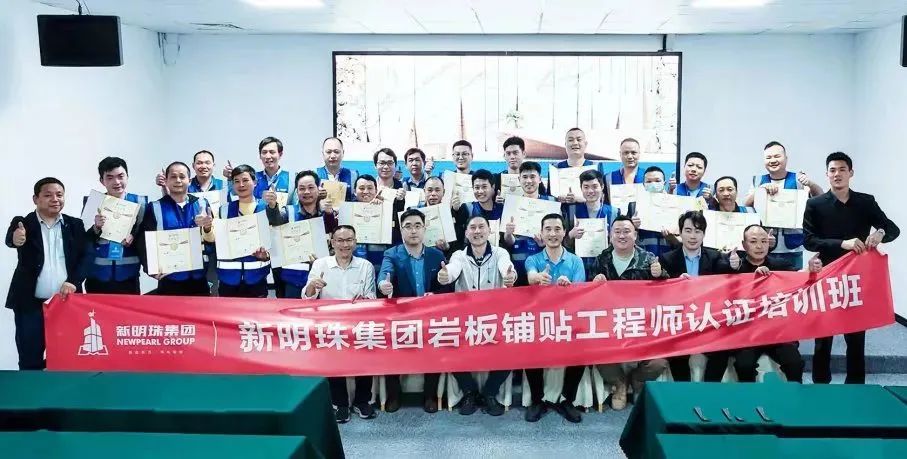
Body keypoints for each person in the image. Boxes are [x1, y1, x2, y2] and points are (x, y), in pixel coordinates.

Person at [804, 152, 900, 385]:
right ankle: (820, 385)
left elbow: (892, 229)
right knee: (823, 337)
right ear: (827, 174)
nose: (837, 174)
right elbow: (809, 240)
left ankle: (856, 386)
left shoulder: (865, 202)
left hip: (857, 278)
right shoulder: (815, 204)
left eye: (842, 169)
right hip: (827, 275)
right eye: (832, 170)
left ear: (851, 173)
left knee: (856, 337)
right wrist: (841, 243)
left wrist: (879, 233)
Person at [6, 177, 92, 370]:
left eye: (59, 195)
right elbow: (11, 239)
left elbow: (86, 256)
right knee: (30, 357)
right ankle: (31, 389)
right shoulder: (23, 223)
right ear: (35, 199)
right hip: (30, 303)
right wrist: (15, 238)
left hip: (66, 302)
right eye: (48, 195)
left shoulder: (75, 225)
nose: (55, 199)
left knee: (67, 355)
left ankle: (63, 390)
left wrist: (74, 281)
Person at [717, 224, 821, 383]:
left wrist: (810, 268)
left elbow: (798, 279)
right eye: (753, 241)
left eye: (764, 241)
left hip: (777, 331)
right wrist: (753, 279)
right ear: (744, 245)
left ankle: (794, 397)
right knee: (744, 365)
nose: (759, 246)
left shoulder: (780, 265)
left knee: (795, 363)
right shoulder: (736, 268)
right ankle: (750, 397)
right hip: (748, 334)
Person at [437, 215, 517, 416]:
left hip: (495, 319)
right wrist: (445, 276)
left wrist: (510, 276)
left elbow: (507, 268)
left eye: (482, 227)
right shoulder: (459, 255)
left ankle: (490, 393)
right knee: (447, 347)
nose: (477, 231)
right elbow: (452, 270)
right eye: (472, 227)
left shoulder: (500, 253)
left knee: (513, 349)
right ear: (466, 233)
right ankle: (469, 392)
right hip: (465, 320)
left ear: (489, 231)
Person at [589, 215, 668, 410]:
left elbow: (667, 290)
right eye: (617, 232)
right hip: (610, 324)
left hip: (642, 325)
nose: (622, 236)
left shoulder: (649, 259)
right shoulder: (601, 259)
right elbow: (588, 294)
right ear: (610, 236)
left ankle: (638, 379)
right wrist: (594, 283)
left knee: (659, 362)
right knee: (596, 351)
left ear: (635, 235)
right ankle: (620, 384)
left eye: (626, 231)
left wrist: (660, 274)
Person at [378, 209, 451, 412]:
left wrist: (438, 290)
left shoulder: (436, 255)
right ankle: (394, 395)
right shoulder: (392, 254)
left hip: (430, 316)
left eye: (417, 226)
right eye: (408, 226)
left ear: (424, 229)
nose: (413, 231)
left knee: (437, 343)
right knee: (390, 346)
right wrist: (384, 285)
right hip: (401, 316)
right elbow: (385, 275)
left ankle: (430, 396)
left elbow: (446, 287)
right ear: (401, 230)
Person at [304, 225, 377, 423]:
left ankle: (362, 401)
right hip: (330, 323)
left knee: (366, 352)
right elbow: (307, 298)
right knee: (333, 360)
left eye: (349, 240)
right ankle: (340, 404)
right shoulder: (320, 264)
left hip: (358, 322)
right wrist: (312, 286)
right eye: (340, 240)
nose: (345, 245)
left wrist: (365, 299)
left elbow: (372, 296)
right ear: (332, 242)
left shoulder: (365, 266)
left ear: (355, 242)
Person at [523, 213, 588, 423]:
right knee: (529, 343)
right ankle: (537, 400)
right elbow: (531, 275)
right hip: (540, 320)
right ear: (541, 233)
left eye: (557, 229)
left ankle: (567, 400)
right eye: (548, 229)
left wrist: (567, 288)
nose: (552, 233)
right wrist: (537, 278)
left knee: (582, 347)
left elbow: (580, 294)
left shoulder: (576, 261)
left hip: (568, 319)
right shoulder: (533, 259)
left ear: (564, 232)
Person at [658, 211, 735, 382]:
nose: (693, 236)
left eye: (698, 231)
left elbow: (727, 273)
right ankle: (685, 392)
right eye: (688, 230)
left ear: (704, 234)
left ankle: (708, 391)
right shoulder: (667, 259)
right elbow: (659, 292)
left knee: (722, 350)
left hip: (707, 321)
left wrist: (734, 266)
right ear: (680, 232)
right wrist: (675, 284)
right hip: (679, 322)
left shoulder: (714, 257)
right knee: (676, 352)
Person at [138, 162, 215, 296]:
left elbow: (212, 239)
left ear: (189, 180)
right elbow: (143, 242)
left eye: (182, 176)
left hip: (199, 276)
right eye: (173, 177)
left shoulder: (202, 204)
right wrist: (150, 269)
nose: (178, 180)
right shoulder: (155, 207)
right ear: (166, 181)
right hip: (169, 278)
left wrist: (207, 227)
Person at [743, 141, 823, 269]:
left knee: (794, 279)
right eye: (768, 157)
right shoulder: (758, 180)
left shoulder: (798, 179)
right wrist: (761, 190)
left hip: (793, 246)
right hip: (765, 245)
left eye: (777, 156)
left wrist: (810, 184)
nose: (772, 160)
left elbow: (820, 198)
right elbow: (746, 204)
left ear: (786, 158)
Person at [267, 170, 339, 298]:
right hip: (293, 279)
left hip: (323, 278)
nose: (306, 192)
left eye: (311, 187)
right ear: (296, 191)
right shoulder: (288, 212)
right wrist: (273, 206)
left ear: (318, 189)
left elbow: (336, 236)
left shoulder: (327, 213)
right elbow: (276, 220)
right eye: (302, 188)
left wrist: (329, 214)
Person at [84, 157, 148, 295]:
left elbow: (146, 237)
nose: (117, 182)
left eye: (120, 176)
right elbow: (83, 240)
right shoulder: (93, 202)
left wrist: (134, 237)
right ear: (102, 181)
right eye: (110, 177)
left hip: (128, 275)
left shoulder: (140, 203)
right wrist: (95, 228)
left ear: (127, 176)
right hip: (97, 276)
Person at [217, 165, 271, 298]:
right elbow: (216, 240)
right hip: (228, 278)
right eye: (236, 181)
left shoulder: (266, 208)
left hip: (256, 276)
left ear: (255, 182)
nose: (241, 185)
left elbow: (274, 240)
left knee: (257, 312)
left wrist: (266, 255)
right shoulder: (223, 210)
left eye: (245, 180)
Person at [501, 161, 552, 287]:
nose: (529, 181)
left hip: (543, 264)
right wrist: (508, 234)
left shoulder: (551, 203)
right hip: (517, 264)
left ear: (540, 179)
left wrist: (545, 242)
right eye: (524, 177)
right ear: (519, 179)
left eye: (532, 176)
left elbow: (557, 235)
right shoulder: (511, 204)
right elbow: (508, 242)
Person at [564, 169, 617, 274]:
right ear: (581, 188)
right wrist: (571, 235)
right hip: (578, 266)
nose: (590, 191)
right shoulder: (571, 211)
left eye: (594, 186)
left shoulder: (614, 212)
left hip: (607, 267)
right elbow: (562, 242)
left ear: (602, 187)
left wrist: (612, 237)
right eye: (586, 187)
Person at [352, 174, 402, 277]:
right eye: (361, 188)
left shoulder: (387, 209)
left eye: (370, 188)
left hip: (380, 264)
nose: (366, 191)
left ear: (376, 191)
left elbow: (396, 234)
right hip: (354, 266)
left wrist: (384, 209)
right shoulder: (347, 211)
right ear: (354, 191)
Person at [630, 166, 676, 257]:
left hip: (669, 257)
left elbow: (682, 239)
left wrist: (671, 236)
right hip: (642, 258)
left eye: (657, 181)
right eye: (649, 181)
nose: (653, 184)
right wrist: (633, 226)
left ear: (664, 183)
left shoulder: (674, 205)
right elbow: (627, 236)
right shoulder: (634, 206)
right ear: (643, 185)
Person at [420, 175, 466, 259]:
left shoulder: (452, 213)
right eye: (429, 190)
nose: (433, 194)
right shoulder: (416, 213)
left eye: (437, 190)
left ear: (443, 192)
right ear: (424, 191)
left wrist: (447, 248)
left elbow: (459, 243)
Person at [497, 136, 546, 201]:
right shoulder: (497, 179)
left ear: (524, 154)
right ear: (504, 156)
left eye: (515, 153)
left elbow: (545, 201)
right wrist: (495, 202)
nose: (512, 157)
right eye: (508, 153)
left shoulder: (535, 181)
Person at [554, 127, 595, 203]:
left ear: (585, 144)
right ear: (565, 144)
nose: (575, 143)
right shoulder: (556, 168)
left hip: (588, 210)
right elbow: (549, 197)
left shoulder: (595, 167)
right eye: (570, 140)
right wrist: (557, 199)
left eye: (579, 139)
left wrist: (581, 199)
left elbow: (601, 197)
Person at [316, 137, 357, 202]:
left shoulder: (353, 175)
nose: (332, 156)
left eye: (336, 152)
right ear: (323, 154)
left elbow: (360, 199)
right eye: (328, 152)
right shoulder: (315, 175)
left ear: (343, 153)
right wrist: (314, 196)